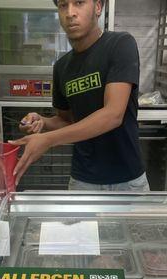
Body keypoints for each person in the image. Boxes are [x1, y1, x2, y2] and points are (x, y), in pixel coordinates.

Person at [9, 0, 149, 192]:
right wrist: (43, 121)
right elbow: (68, 120)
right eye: (63, 5)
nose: (70, 13)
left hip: (127, 180)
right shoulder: (61, 67)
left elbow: (113, 115)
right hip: (83, 180)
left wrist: (48, 139)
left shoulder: (120, 44)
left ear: (98, 7)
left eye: (79, 3)